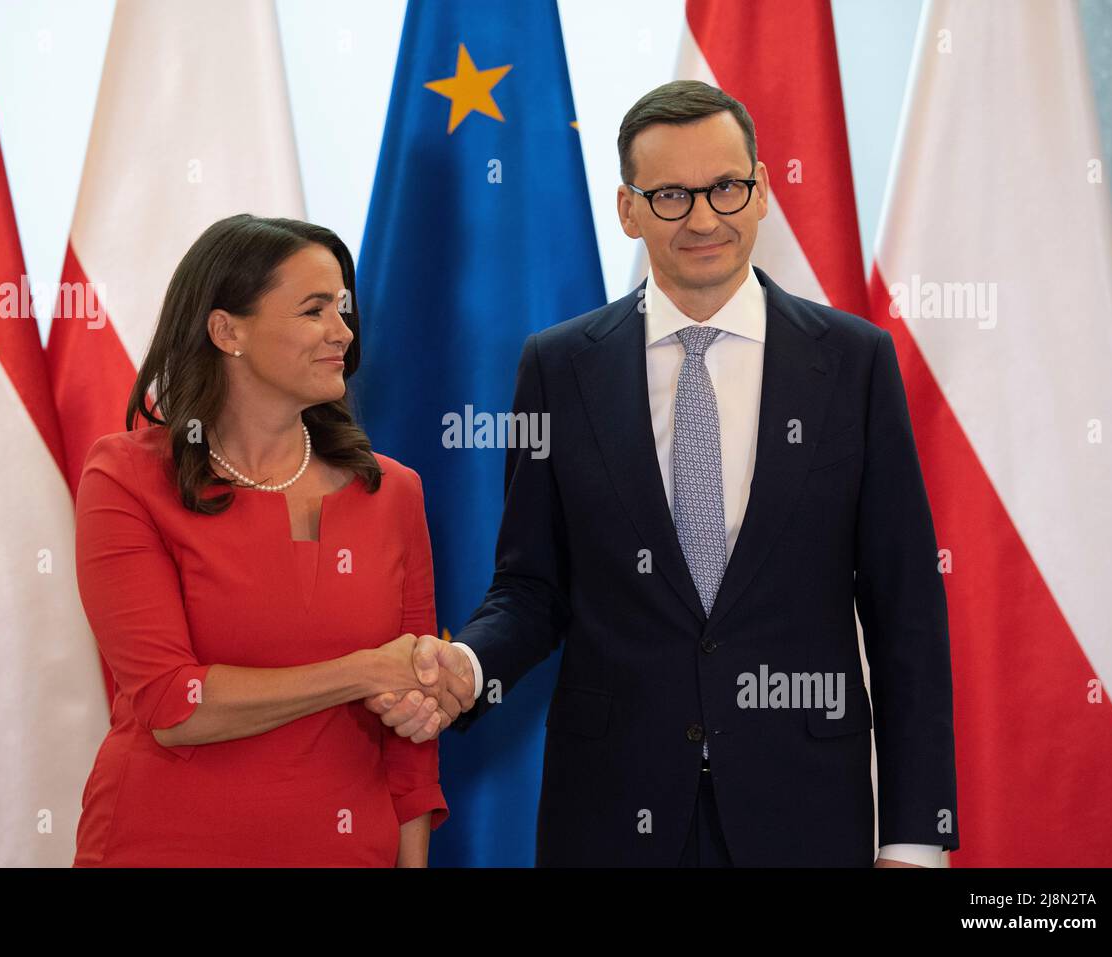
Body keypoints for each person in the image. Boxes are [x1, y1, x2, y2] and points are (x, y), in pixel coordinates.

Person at [366, 81, 960, 867]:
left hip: (805, 810)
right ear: (628, 209)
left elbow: (905, 610)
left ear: (762, 194)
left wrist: (916, 839)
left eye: (725, 187)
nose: (705, 218)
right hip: (611, 812)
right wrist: (469, 667)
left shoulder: (854, 364)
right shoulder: (558, 368)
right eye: (672, 195)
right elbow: (532, 587)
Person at [72, 214, 471, 867]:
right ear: (227, 330)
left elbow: (412, 733)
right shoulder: (127, 476)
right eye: (314, 310)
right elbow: (176, 706)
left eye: (342, 309)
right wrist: (365, 670)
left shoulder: (394, 492)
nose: (342, 331)